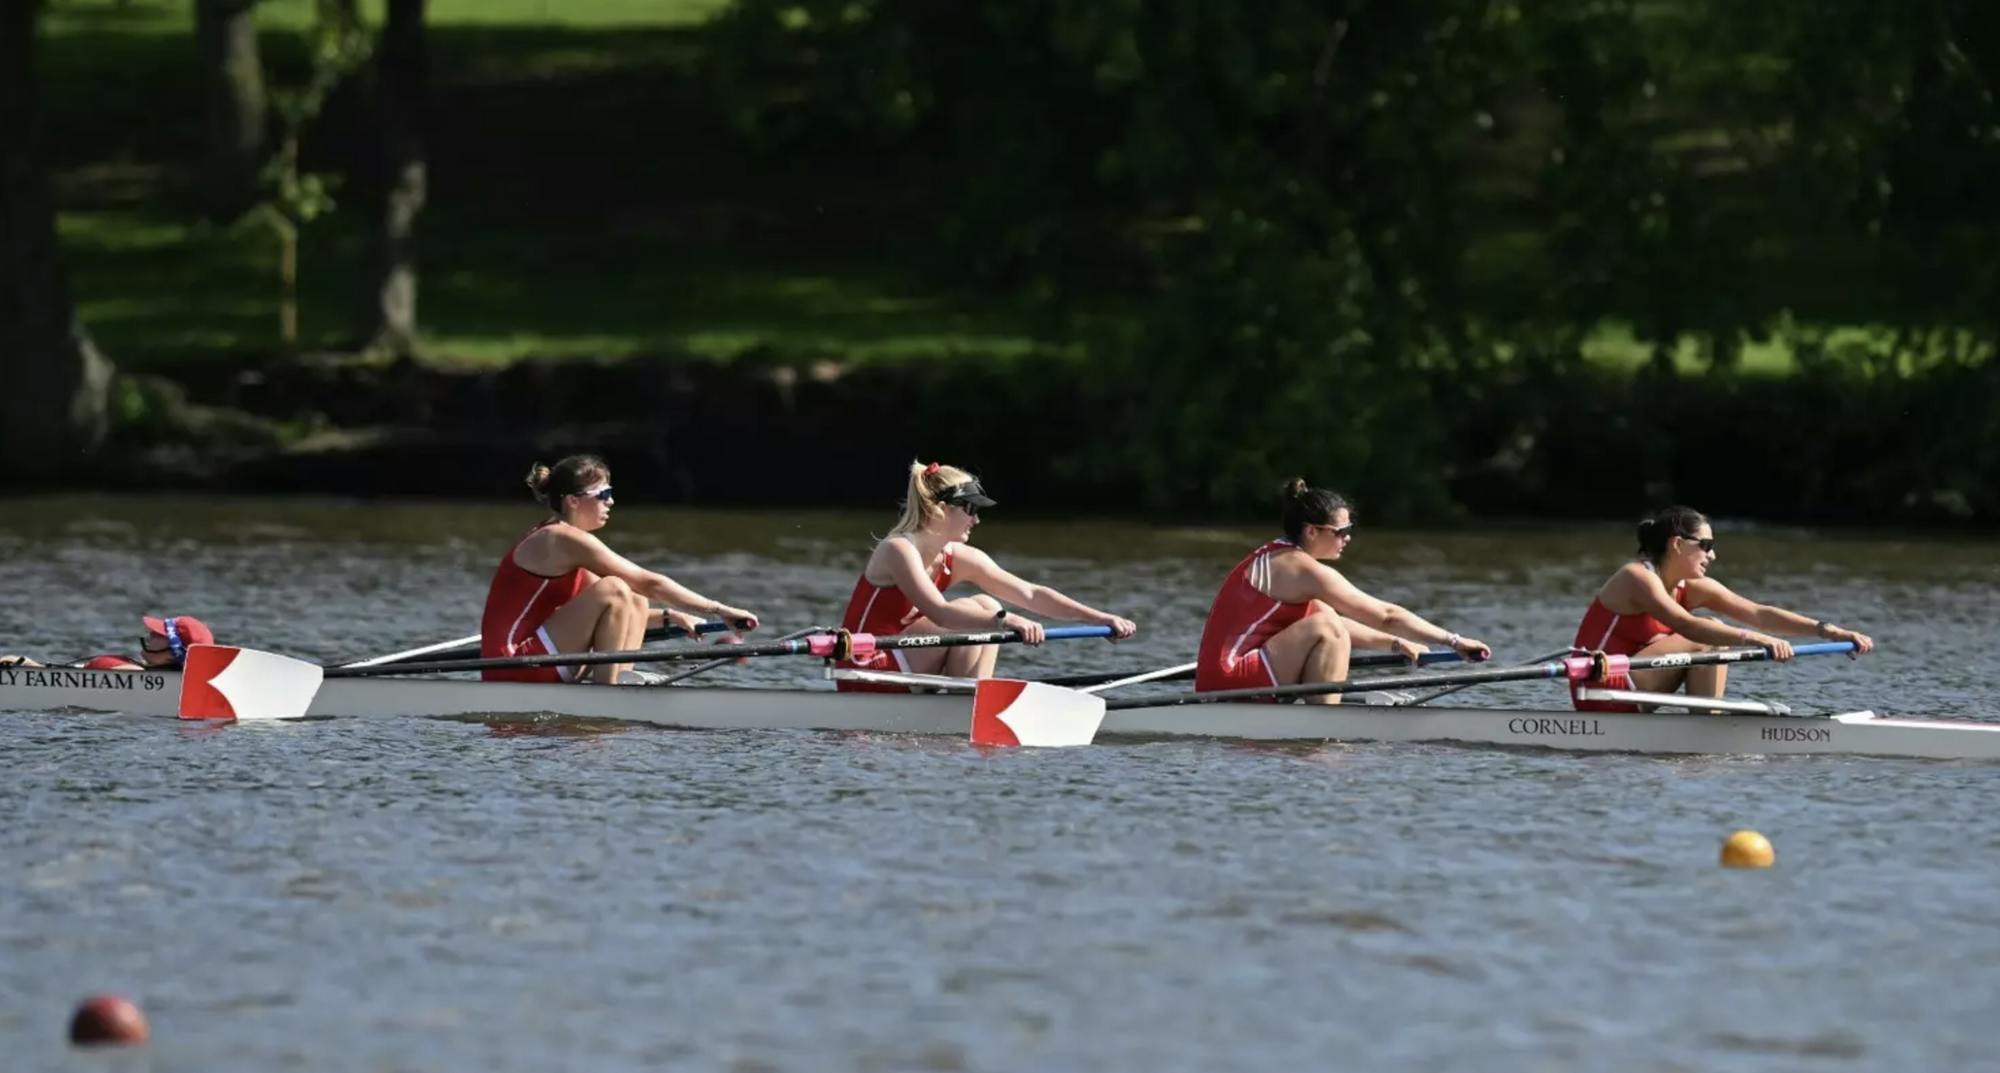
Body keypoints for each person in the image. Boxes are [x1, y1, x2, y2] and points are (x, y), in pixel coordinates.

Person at [833, 461, 1136, 692]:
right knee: (981, 612)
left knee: (987, 604)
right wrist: (1007, 620)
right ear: (940, 509)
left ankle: (973, 696)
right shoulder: (898, 549)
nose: (976, 519)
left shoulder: (958, 557)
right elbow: (941, 613)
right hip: (863, 667)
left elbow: (1030, 594)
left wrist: (1099, 618)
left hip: (905, 662)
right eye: (970, 508)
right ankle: (966, 703)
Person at [1195, 479, 1493, 704]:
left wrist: (1397, 643)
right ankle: (1325, 727)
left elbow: (1341, 621)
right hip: (1229, 681)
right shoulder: (1299, 569)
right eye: (1341, 532)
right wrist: (1453, 641)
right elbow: (1386, 615)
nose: (1348, 538)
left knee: (1326, 618)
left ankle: (1320, 714)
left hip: (1225, 679)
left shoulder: (1280, 557)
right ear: (1311, 531)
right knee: (1327, 628)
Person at [480, 455, 760, 685]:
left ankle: (616, 683)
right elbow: (650, 583)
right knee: (617, 588)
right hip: (513, 664)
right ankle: (609, 690)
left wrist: (671, 616)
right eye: (604, 494)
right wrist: (718, 609)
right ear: (573, 501)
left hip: (537, 659)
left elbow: (618, 612)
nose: (611, 502)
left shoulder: (567, 544)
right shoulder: (558, 538)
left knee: (633, 596)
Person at [1571, 505, 1874, 712]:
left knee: (1714, 634)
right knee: (1710, 633)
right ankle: (1708, 726)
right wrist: (1754, 639)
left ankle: (1708, 723)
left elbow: (1759, 614)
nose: (1713, 555)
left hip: (1632, 688)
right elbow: (1687, 625)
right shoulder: (1636, 577)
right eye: (1706, 545)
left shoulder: (1693, 587)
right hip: (1598, 689)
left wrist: (1828, 630)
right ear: (1677, 544)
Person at [0, 614, 216, 671]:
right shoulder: (142, 668)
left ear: (173, 654)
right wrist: (29, 664)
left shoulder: (134, 672)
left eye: (158, 635)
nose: (150, 634)